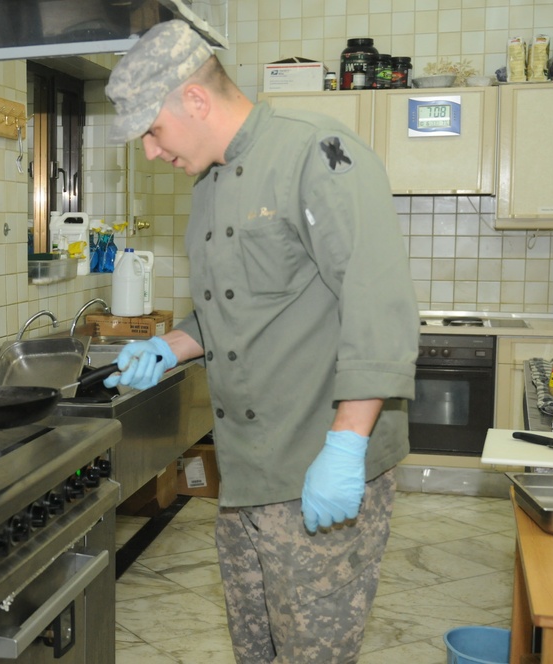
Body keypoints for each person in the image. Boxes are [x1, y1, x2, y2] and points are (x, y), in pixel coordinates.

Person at [102, 20, 420, 664]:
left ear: (194, 100)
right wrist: (171, 344)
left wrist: (345, 446)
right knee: (259, 649)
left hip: (316, 466)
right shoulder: (210, 185)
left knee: (313, 655)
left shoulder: (317, 155)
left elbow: (379, 307)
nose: (152, 153)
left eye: (153, 132)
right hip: (247, 475)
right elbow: (231, 308)